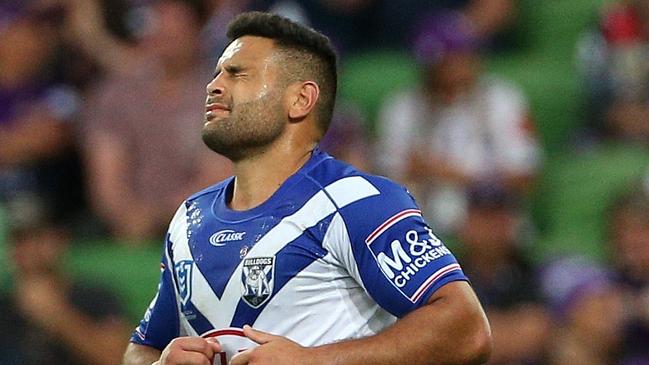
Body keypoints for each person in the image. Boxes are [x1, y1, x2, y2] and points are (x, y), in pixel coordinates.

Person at [122, 11, 492, 365]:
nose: (214, 85)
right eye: (216, 73)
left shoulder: (356, 202)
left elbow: (466, 328)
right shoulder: (190, 218)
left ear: (300, 99)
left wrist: (313, 361)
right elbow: (142, 348)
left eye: (238, 74)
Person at [375, 10, 541, 235]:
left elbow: (525, 177)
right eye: (446, 60)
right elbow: (388, 181)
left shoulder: (501, 99)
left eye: (461, 56)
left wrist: (448, 173)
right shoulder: (402, 107)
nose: (455, 66)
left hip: (492, 219)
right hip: (422, 225)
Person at [0, 199, 129, 365]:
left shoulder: (94, 298)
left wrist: (58, 316)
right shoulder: (4, 308)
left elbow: (117, 359)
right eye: (21, 241)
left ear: (61, 240)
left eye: (39, 238)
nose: (31, 250)